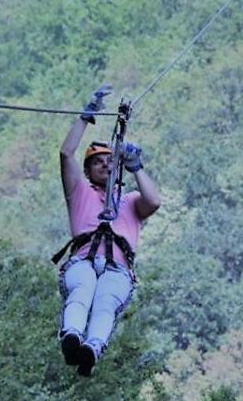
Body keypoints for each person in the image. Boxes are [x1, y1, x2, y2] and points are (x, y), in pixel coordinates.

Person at [52, 85, 161, 376]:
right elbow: (65, 154)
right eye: (97, 162)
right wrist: (86, 116)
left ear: (117, 167)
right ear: (87, 171)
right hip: (84, 261)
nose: (103, 165)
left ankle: (92, 349)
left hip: (118, 269)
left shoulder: (130, 202)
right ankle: (72, 336)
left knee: (105, 303)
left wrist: (136, 167)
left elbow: (154, 201)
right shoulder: (79, 193)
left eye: (107, 161)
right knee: (83, 289)